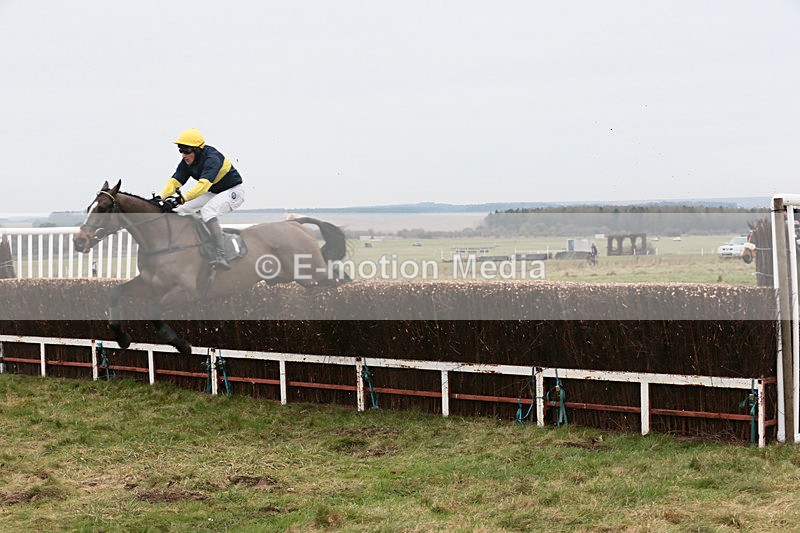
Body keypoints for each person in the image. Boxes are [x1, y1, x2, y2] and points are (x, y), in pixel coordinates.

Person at [159, 128, 245, 271]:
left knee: (208, 211)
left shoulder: (212, 158)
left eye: (186, 150)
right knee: (180, 210)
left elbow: (203, 186)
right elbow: (175, 182)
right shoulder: (186, 162)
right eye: (180, 150)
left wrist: (181, 198)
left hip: (233, 191)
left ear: (197, 150)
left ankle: (221, 255)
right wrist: (160, 197)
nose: (183, 155)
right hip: (214, 192)